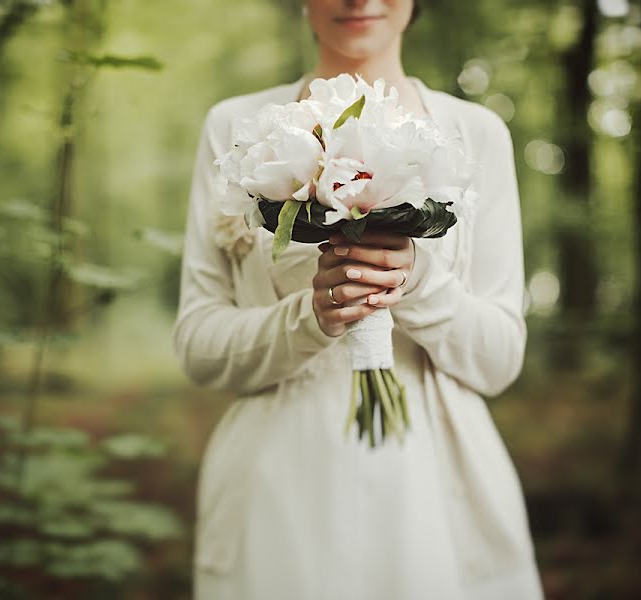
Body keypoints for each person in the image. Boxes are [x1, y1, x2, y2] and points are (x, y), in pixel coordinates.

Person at [171, 1, 545, 598]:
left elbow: (499, 360)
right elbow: (197, 345)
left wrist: (418, 282)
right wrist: (309, 318)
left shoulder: (475, 135)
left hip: (437, 488)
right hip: (278, 493)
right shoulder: (236, 128)